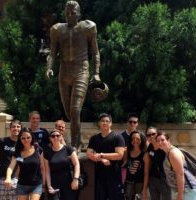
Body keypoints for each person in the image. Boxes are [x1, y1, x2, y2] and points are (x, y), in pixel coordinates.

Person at [46, 1, 101, 148]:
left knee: (75, 110)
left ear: (80, 14)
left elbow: (95, 52)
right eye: (67, 12)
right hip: (64, 71)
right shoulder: (57, 29)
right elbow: (52, 53)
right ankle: (78, 140)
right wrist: (49, 67)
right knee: (69, 112)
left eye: (73, 12)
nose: (70, 15)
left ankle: (76, 145)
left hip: (81, 70)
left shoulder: (88, 27)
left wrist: (96, 73)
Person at [86, 113, 125, 200]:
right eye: (102, 121)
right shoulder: (94, 138)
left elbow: (119, 155)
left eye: (107, 121)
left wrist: (101, 155)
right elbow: (89, 154)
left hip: (114, 176)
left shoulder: (118, 137)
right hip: (99, 176)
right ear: (99, 123)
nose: (104, 123)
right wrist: (101, 159)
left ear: (111, 123)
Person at [156, 131, 196, 200]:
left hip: (187, 190)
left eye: (162, 140)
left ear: (168, 140)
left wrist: (180, 195)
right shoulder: (168, 153)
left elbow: (180, 174)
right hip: (182, 190)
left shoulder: (173, 153)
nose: (160, 142)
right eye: (158, 141)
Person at [5, 127, 45, 200]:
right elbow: (11, 167)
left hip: (36, 184)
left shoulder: (38, 149)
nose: (26, 140)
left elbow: (43, 167)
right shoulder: (17, 152)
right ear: (20, 139)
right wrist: (8, 177)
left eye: (28, 137)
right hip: (22, 184)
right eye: (23, 138)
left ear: (32, 137)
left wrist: (44, 184)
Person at [43, 129, 80, 200]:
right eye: (53, 136)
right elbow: (47, 170)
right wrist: (49, 186)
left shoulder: (68, 149)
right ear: (50, 138)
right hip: (54, 183)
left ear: (61, 137)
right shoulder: (47, 152)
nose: (55, 137)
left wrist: (75, 179)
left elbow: (76, 164)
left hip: (68, 182)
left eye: (57, 135)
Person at [146, 127, 171, 200]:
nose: (151, 136)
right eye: (149, 135)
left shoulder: (163, 147)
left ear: (157, 134)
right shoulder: (150, 147)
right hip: (153, 179)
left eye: (153, 134)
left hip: (164, 178)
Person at [124, 131, 149, 200]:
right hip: (128, 181)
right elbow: (123, 163)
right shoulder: (127, 152)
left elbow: (146, 173)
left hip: (140, 183)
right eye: (133, 138)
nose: (135, 140)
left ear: (141, 140)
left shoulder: (145, 154)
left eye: (137, 139)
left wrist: (144, 189)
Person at [120, 113, 140, 184]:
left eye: (135, 122)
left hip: (137, 167)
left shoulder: (141, 136)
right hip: (123, 167)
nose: (132, 124)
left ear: (137, 124)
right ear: (127, 123)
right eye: (130, 122)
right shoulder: (120, 136)